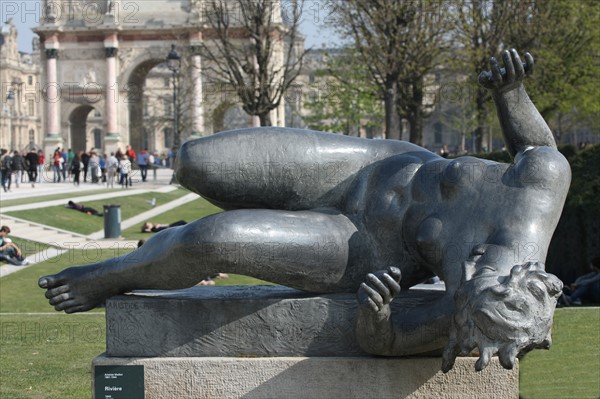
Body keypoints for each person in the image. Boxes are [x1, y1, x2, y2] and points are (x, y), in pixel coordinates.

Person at [39, 51, 569, 372]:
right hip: (372, 165)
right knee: (196, 161)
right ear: (518, 277)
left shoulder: (464, 314)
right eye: (481, 288)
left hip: (359, 243)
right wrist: (512, 93)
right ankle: (168, 247)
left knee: (217, 240)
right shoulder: (539, 190)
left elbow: (384, 344)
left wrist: (379, 314)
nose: (468, 290)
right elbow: (536, 144)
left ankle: (110, 275)